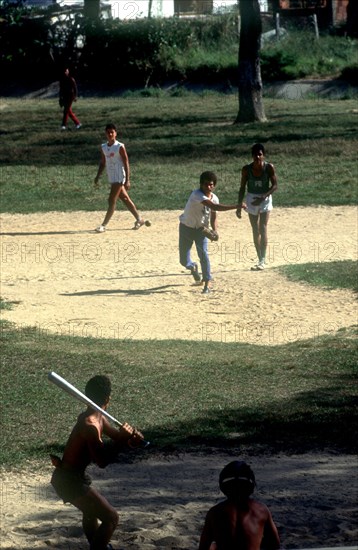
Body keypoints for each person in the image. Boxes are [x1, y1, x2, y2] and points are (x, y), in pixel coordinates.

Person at [50, 375, 145, 550]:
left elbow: (118, 438)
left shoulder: (98, 417)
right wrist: (121, 440)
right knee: (111, 518)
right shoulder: (90, 425)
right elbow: (102, 460)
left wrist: (131, 440)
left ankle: (99, 545)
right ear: (108, 398)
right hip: (69, 480)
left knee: (91, 511)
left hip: (73, 477)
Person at [179, 171, 241, 294]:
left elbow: (214, 216)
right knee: (184, 261)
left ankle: (207, 282)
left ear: (214, 185)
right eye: (206, 184)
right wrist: (236, 206)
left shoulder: (215, 198)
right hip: (186, 228)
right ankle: (192, 266)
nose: (208, 187)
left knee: (204, 255)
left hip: (201, 230)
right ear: (201, 185)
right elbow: (215, 207)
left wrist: (215, 230)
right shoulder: (196, 195)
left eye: (211, 185)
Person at [199, 460, 281, 550]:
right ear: (251, 486)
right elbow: (275, 545)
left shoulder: (214, 512)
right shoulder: (262, 510)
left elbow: (203, 547)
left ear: (223, 487)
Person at [94, 123, 150, 232]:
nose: (110, 134)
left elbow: (126, 163)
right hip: (111, 176)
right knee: (125, 198)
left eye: (112, 132)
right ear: (105, 133)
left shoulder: (119, 146)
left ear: (115, 133)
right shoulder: (104, 147)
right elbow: (102, 162)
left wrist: (127, 179)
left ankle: (103, 225)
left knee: (111, 200)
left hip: (119, 176)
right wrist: (98, 176)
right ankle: (139, 219)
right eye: (108, 132)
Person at [236, 144, 278, 271]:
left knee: (263, 227)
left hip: (264, 198)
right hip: (252, 198)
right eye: (255, 155)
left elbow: (275, 185)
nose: (257, 157)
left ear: (263, 155)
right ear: (252, 156)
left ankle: (263, 259)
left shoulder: (269, 167)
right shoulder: (246, 169)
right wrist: (239, 206)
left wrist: (263, 196)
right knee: (255, 229)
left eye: (260, 154)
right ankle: (259, 258)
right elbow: (242, 187)